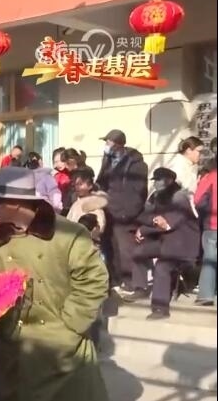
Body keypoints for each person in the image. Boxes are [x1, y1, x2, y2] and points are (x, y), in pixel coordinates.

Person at [0, 167, 109, 401]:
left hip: (62, 348)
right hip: (13, 347)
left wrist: (70, 325)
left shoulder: (68, 233)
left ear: (15, 203)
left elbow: (94, 281)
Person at [123, 168, 200, 320]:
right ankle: (141, 288)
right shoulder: (156, 196)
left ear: (169, 181)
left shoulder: (179, 198)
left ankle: (160, 308)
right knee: (139, 252)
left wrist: (150, 226)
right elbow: (145, 216)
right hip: (165, 241)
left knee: (162, 266)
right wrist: (145, 227)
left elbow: (168, 224)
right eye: (155, 180)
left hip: (182, 244)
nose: (156, 184)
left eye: (159, 180)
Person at [96, 129, 149, 294]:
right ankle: (117, 280)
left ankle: (131, 282)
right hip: (109, 210)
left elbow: (138, 190)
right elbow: (101, 181)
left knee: (126, 249)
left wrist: (129, 210)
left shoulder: (135, 164)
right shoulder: (109, 161)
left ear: (118, 144)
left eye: (109, 142)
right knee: (111, 248)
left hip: (125, 213)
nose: (106, 146)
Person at [195, 140, 217, 306]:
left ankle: (206, 295)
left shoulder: (210, 177)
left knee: (210, 259)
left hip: (212, 224)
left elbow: (198, 200)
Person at [67, 169, 109, 239]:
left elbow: (100, 226)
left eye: (80, 184)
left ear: (90, 186)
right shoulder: (75, 204)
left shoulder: (96, 203)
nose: (77, 187)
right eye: (76, 185)